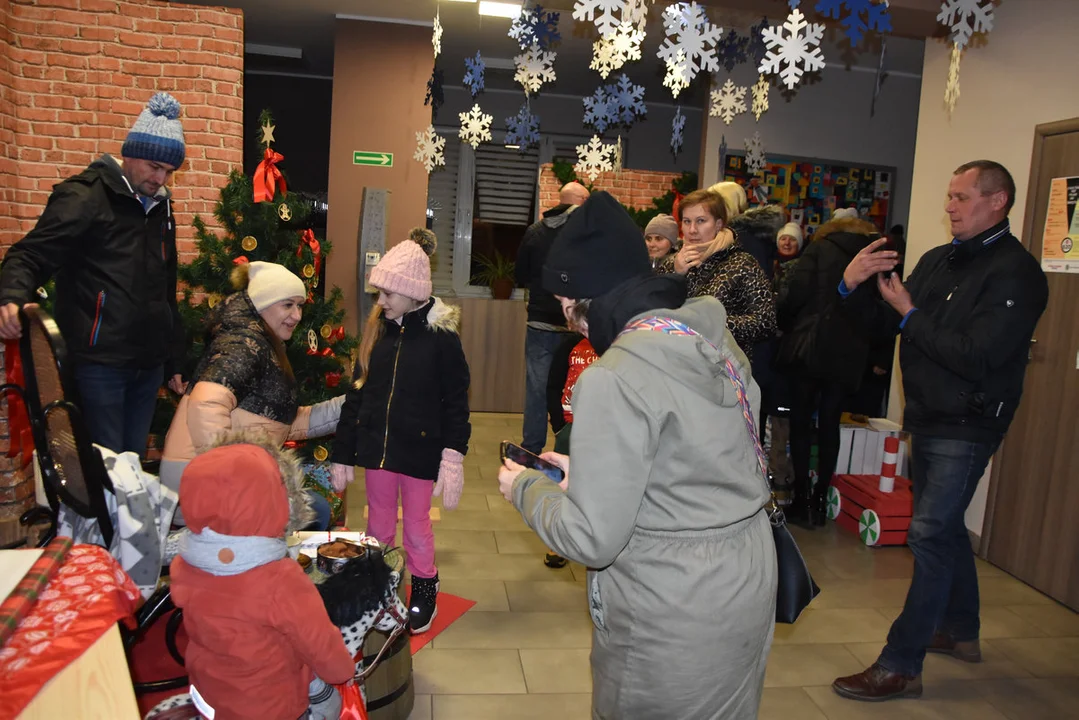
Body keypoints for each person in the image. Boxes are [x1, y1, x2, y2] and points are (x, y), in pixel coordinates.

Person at [498, 191, 777, 719]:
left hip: (671, 600)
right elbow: (700, 458)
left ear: (572, 298)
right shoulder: (710, 338)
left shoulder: (611, 377)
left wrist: (526, 489)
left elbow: (592, 540)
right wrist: (599, 473)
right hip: (746, 572)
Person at [831, 161, 1049, 701]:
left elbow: (976, 356)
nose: (949, 207)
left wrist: (908, 311)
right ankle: (960, 630)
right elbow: (889, 325)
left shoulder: (1016, 273)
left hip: (969, 420)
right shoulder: (936, 260)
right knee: (945, 529)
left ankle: (900, 663)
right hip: (926, 415)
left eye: (961, 197)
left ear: (997, 201)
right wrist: (850, 283)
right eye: (948, 197)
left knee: (928, 533)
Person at [0, 92, 188, 455]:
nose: (160, 178)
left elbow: (166, 291)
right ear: (130, 152)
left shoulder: (161, 209)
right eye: (153, 166)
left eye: (168, 171)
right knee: (103, 469)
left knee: (129, 466)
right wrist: (11, 296)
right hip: (99, 366)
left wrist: (173, 359)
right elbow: (29, 254)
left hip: (146, 366)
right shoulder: (86, 197)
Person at [330, 231, 471, 634]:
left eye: (387, 294)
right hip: (377, 450)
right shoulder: (378, 334)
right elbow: (355, 396)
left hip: (420, 453)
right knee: (377, 525)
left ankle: (424, 588)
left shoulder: (442, 340)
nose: (381, 302)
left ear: (412, 294)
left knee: (416, 528)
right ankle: (380, 587)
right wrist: (343, 451)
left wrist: (452, 454)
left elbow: (456, 400)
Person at [170, 437, 355, 720]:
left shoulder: (186, 562)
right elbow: (320, 643)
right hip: (271, 706)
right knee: (330, 704)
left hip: (209, 692)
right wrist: (342, 671)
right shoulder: (279, 579)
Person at [161, 260, 342, 530]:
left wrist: (352, 405)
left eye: (300, 305)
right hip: (202, 485)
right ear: (261, 303)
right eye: (287, 305)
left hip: (208, 478)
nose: (297, 316)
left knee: (316, 509)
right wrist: (236, 478)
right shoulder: (242, 344)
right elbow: (206, 404)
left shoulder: (260, 342)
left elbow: (280, 423)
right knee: (315, 511)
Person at [776, 216, 888, 526]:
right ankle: (822, 498)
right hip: (850, 351)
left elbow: (796, 294)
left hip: (811, 348)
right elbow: (881, 307)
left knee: (800, 423)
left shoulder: (819, 249)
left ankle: (801, 501)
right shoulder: (871, 254)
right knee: (829, 425)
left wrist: (787, 324)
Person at [657, 189, 776, 359]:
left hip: (723, 370)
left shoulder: (742, 263)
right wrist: (675, 275)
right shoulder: (672, 262)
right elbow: (652, 309)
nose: (692, 230)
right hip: (675, 363)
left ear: (718, 224)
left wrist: (713, 324)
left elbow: (765, 322)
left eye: (701, 221)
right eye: (686, 221)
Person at [516, 182, 590, 454]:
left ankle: (531, 450)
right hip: (578, 324)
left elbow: (520, 274)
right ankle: (573, 448)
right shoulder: (585, 233)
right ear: (581, 201)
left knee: (536, 389)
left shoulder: (535, 231)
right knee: (580, 386)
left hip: (540, 321)